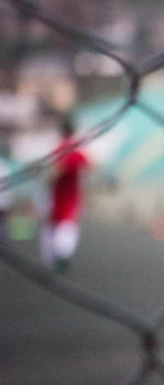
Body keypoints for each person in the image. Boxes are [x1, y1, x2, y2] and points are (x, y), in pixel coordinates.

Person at [40, 116, 90, 273]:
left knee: (51, 227)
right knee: (67, 227)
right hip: (71, 197)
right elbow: (90, 169)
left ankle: (51, 260)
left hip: (55, 196)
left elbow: (52, 172)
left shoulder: (57, 149)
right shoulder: (76, 151)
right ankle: (62, 255)